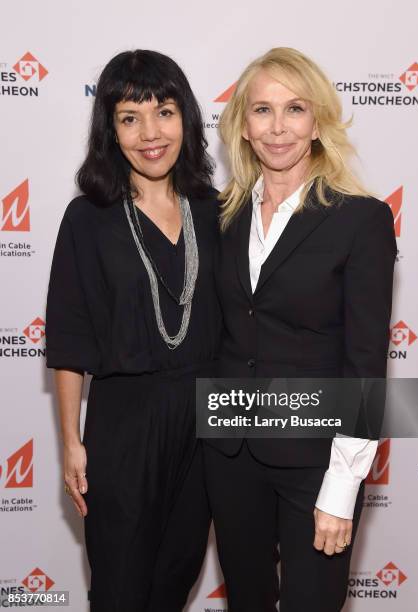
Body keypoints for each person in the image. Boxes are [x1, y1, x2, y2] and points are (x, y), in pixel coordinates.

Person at [203, 47, 397, 612]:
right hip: (231, 454)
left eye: (295, 109)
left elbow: (365, 364)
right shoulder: (223, 215)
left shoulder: (360, 218)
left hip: (317, 460)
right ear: (242, 124)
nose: (278, 127)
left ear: (317, 122)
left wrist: (342, 487)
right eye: (262, 110)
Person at [46, 49, 221, 612]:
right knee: (121, 585)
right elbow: (70, 337)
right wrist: (72, 442)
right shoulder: (88, 219)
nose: (151, 132)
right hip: (124, 423)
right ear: (110, 129)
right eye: (130, 117)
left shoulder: (214, 210)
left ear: (186, 119)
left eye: (165, 112)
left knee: (177, 576)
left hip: (206, 421)